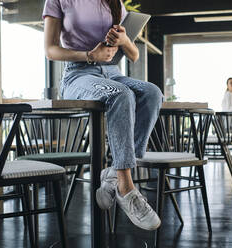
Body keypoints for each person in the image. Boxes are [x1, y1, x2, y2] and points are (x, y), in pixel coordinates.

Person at [42, 0, 163, 231]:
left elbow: (135, 55)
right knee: (121, 94)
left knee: (152, 93)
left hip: (112, 73)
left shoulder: (114, 2)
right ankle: (126, 187)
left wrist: (124, 40)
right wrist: (89, 55)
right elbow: (50, 50)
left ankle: (114, 173)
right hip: (78, 76)